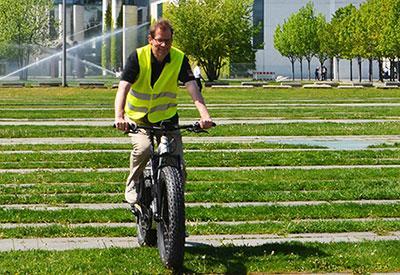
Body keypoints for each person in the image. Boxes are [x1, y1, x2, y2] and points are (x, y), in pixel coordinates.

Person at [114, 19, 213, 204]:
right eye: (159, 40)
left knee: (178, 166)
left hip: (167, 119)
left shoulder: (179, 58)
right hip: (138, 118)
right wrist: (119, 117)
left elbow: (193, 89)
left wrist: (204, 115)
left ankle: (174, 213)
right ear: (150, 39)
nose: (164, 45)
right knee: (144, 149)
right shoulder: (137, 57)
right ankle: (133, 182)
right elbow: (123, 88)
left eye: (167, 40)